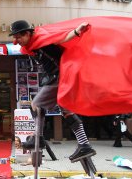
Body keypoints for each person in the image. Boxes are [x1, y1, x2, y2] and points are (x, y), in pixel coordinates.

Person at [9, 20, 96, 162]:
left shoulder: (42, 40)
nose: (16, 41)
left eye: (18, 37)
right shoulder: (33, 45)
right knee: (66, 111)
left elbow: (62, 37)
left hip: (59, 77)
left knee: (36, 104)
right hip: (60, 77)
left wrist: (76, 31)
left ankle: (38, 137)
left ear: (27, 34)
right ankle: (84, 144)